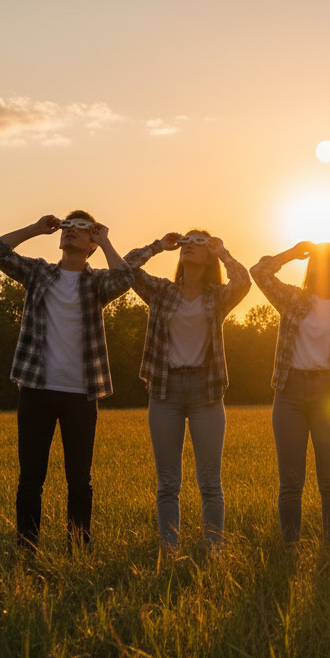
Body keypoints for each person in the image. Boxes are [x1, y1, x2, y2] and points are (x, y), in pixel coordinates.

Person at [0, 211, 153, 552]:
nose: (70, 232)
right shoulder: (39, 273)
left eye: (80, 229)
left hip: (80, 393)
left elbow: (125, 279)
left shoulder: (96, 282)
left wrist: (104, 238)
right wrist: (35, 228)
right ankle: (26, 549)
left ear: (90, 243)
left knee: (79, 480)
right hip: (36, 390)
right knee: (31, 479)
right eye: (67, 227)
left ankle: (78, 551)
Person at [133, 228, 251, 550]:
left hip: (206, 392)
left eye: (199, 243)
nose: (189, 246)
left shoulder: (217, 296)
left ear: (208, 254)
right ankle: (170, 549)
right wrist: (158, 246)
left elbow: (243, 282)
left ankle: (213, 548)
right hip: (165, 390)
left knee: (210, 482)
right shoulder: (162, 292)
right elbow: (127, 270)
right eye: (186, 242)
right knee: (168, 483)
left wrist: (224, 253)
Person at [251, 241, 330, 548]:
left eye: (329, 261)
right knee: (291, 483)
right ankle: (290, 547)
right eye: (317, 261)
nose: (322, 266)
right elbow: (259, 272)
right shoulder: (293, 299)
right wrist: (290, 253)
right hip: (289, 393)